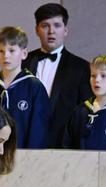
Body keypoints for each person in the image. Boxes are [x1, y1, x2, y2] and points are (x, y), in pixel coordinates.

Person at [23, 4, 92, 150]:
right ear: (37, 30)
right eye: (45, 26)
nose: (51, 31)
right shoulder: (23, 63)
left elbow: (83, 114)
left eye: (57, 25)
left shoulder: (81, 68)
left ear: (65, 30)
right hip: (25, 145)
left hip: (63, 147)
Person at [0, 26, 50, 149]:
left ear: (24, 54)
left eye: (11, 50)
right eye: (1, 51)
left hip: (24, 157)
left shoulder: (35, 88)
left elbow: (38, 132)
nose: (6, 56)